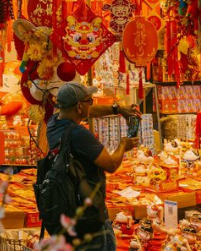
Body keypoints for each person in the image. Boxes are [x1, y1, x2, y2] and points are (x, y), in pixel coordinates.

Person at [44, 82, 139, 251]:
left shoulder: (53, 123)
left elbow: (89, 111)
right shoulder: (79, 134)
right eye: (90, 101)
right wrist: (123, 145)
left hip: (70, 211)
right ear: (79, 107)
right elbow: (111, 164)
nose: (92, 104)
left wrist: (117, 109)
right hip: (91, 219)